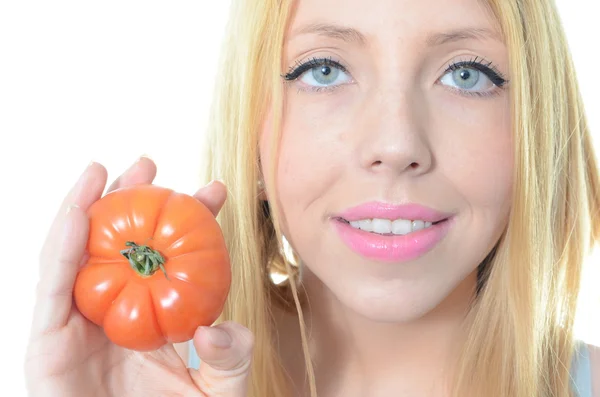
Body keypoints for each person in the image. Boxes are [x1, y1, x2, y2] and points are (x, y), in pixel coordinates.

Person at [24, 0, 600, 396]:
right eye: (323, 69)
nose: (396, 144)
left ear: (537, 123)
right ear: (251, 122)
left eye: (467, 74)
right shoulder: (149, 380)